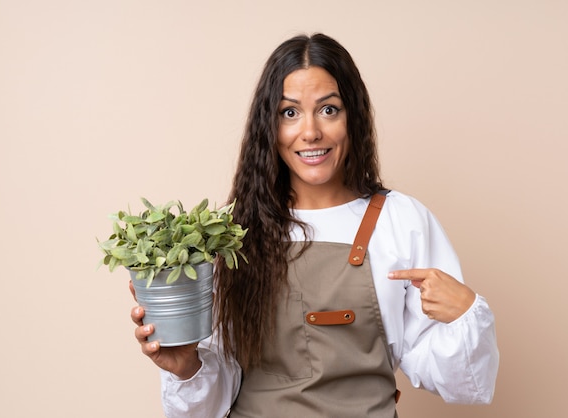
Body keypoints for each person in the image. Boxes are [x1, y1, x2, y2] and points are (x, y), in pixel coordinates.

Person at [131, 33, 499, 417]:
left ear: (351, 117)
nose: (310, 132)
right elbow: (215, 392)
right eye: (290, 113)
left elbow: (459, 383)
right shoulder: (234, 233)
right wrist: (185, 367)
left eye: (328, 110)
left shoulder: (401, 220)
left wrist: (467, 313)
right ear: (269, 128)